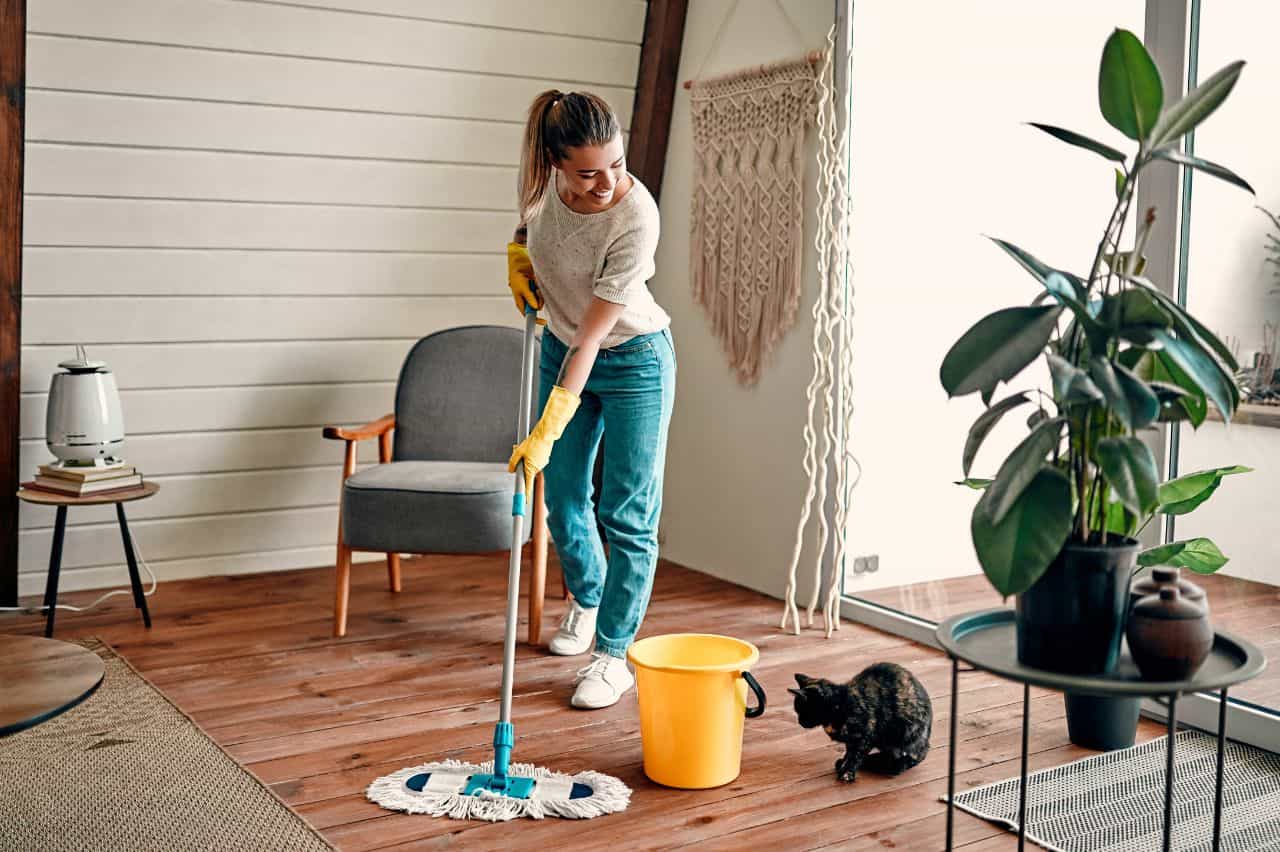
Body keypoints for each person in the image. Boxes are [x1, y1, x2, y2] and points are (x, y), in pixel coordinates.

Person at [506, 90, 676, 709]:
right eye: (588, 172)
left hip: (633, 360)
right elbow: (530, 231)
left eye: (617, 164)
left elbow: (593, 337)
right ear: (557, 164)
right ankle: (588, 596)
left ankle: (613, 653)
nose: (607, 182)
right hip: (560, 346)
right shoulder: (539, 187)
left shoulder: (636, 217)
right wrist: (517, 258)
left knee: (627, 513)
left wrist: (548, 425)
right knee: (566, 499)